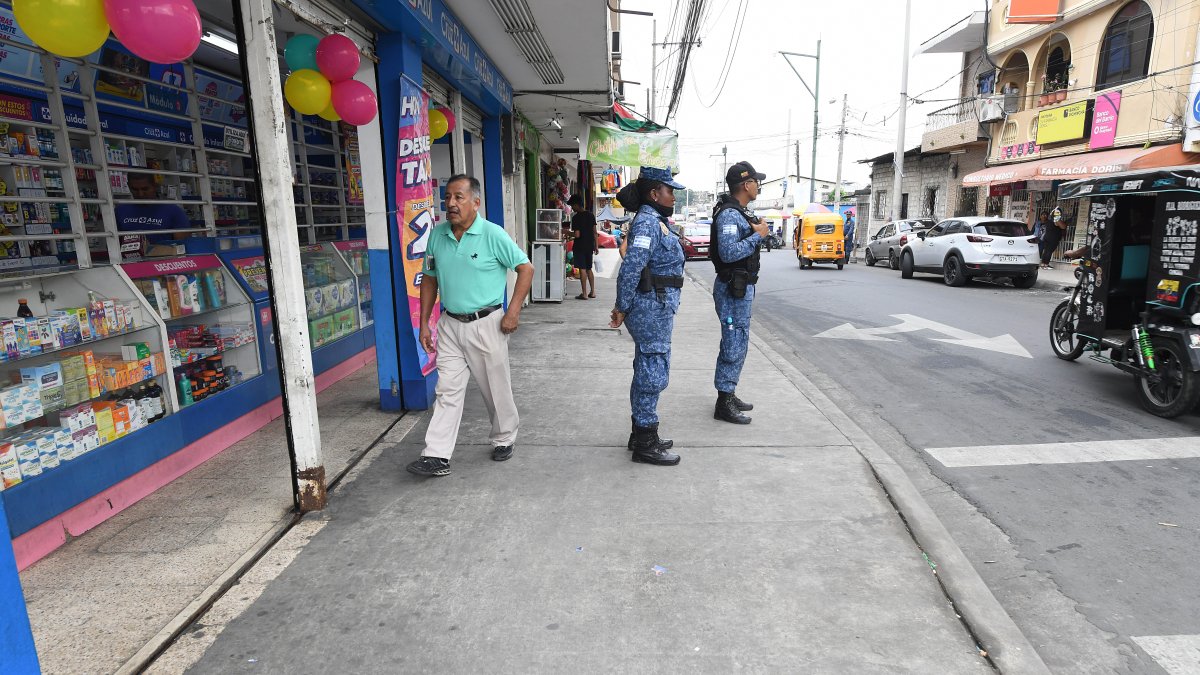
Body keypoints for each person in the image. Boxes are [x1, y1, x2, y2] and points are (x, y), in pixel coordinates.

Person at [406, 174, 534, 478]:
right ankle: (436, 455)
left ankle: (504, 437)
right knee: (447, 390)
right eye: (447, 197)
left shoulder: (492, 234)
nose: (450, 203)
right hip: (450, 324)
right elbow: (430, 279)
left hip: (487, 324)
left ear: (475, 202)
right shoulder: (437, 236)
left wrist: (513, 311)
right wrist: (425, 322)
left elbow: (525, 268)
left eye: (458, 197)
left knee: (494, 388)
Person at [610, 166, 686, 466]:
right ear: (655, 193)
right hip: (650, 307)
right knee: (652, 372)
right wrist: (621, 308)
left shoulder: (655, 221)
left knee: (648, 366)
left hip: (657, 306)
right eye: (670, 191)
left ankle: (641, 434)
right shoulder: (647, 223)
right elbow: (630, 268)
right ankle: (645, 442)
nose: (674, 197)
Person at [709, 161, 770, 425]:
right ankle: (723, 401)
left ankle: (729, 392)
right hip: (732, 289)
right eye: (757, 181)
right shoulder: (729, 215)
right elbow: (728, 252)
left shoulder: (741, 213)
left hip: (741, 287)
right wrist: (759, 236)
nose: (759, 186)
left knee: (739, 340)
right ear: (746, 184)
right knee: (733, 342)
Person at [115, 173, 191, 260]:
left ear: (155, 186)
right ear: (128, 186)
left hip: (164, 264)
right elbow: (113, 244)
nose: (140, 194)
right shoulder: (120, 210)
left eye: (145, 189)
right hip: (129, 265)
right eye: (135, 189)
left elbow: (184, 247)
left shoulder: (173, 211)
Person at [568, 194, 598, 299]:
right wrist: (596, 246)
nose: (572, 207)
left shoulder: (576, 218)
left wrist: (566, 232)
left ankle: (584, 293)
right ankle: (593, 292)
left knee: (582, 269)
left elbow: (577, 234)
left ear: (577, 205)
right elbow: (595, 232)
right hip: (590, 245)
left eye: (572, 205)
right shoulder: (591, 215)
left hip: (580, 245)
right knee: (589, 268)